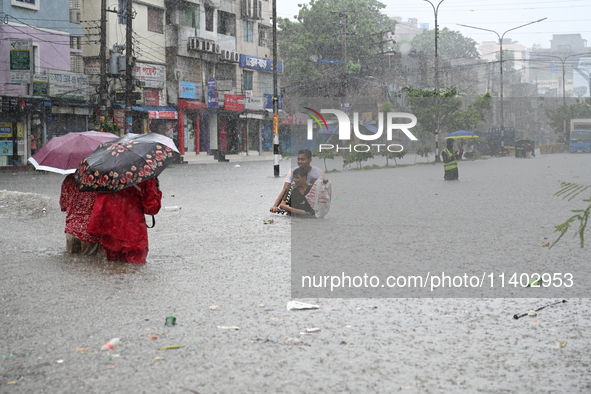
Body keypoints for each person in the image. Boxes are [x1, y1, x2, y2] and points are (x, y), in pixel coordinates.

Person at [87, 178, 162, 264]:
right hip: (131, 227)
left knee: (113, 266)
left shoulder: (105, 172)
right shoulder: (144, 173)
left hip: (108, 226)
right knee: (135, 267)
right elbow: (151, 208)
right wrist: (156, 191)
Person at [270, 148, 325, 213]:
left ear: (310, 160)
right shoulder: (292, 171)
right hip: (296, 198)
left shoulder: (319, 172)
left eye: (303, 159)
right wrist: (275, 206)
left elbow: (322, 190)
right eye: (298, 159)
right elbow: (285, 189)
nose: (300, 162)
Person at [59, 174, 101, 255]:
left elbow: (63, 205)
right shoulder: (99, 180)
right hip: (90, 232)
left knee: (71, 264)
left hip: (71, 230)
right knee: (90, 265)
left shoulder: (69, 179)